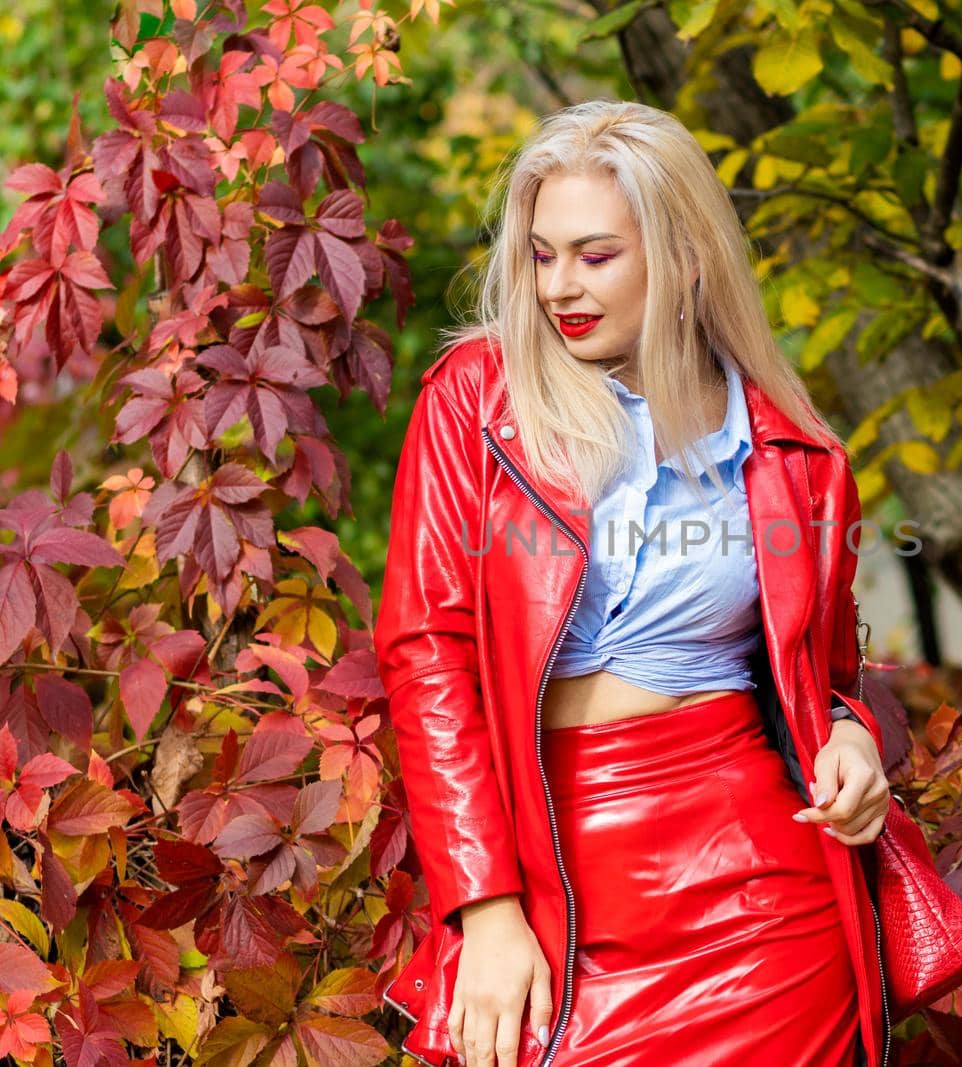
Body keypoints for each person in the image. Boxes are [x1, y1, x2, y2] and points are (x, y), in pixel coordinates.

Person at [375, 99, 894, 1067]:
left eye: (594, 255)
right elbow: (426, 652)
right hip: (546, 880)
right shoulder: (475, 402)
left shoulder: (797, 459)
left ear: (685, 255)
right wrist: (484, 908)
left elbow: (820, 684)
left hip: (762, 914)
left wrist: (855, 745)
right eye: (540, 254)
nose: (557, 286)